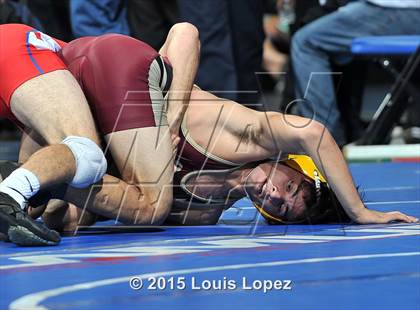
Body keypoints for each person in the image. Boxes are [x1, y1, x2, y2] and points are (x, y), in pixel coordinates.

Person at [9, 28, 417, 235]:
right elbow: (315, 133)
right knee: (151, 204)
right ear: (293, 164)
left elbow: (108, 205)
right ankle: (36, 182)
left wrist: (71, 210)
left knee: (63, 218)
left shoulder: (203, 213)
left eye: (279, 208)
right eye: (289, 188)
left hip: (72, 77)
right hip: (116, 67)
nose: (274, 196)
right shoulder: (246, 135)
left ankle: (24, 185)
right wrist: (360, 213)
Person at [0, 22, 200, 245]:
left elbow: (63, 215)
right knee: (86, 154)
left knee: (37, 195)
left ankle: (11, 192)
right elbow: (185, 32)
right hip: (23, 54)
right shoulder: (159, 96)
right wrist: (173, 121)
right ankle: (9, 193)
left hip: (30, 67)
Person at [291, 0, 420, 145]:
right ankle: (341, 133)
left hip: (399, 10)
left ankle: (322, 140)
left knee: (306, 43)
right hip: (401, 10)